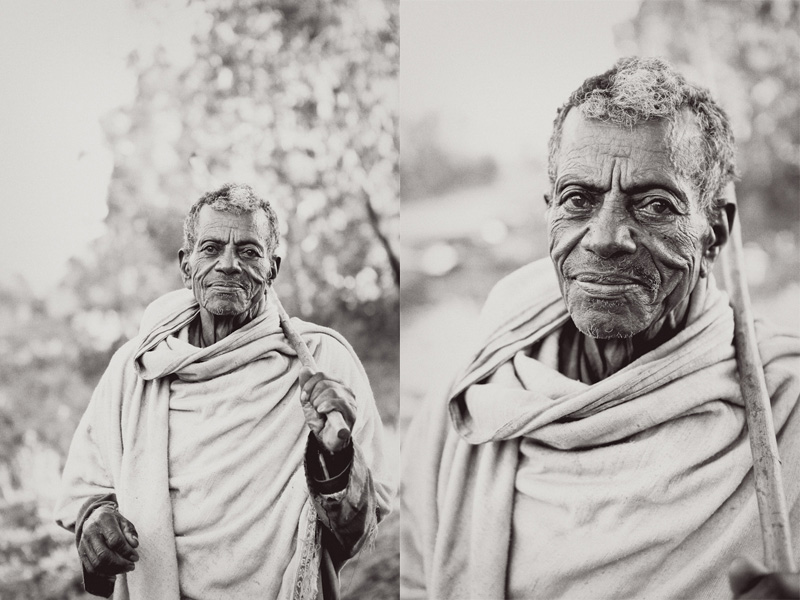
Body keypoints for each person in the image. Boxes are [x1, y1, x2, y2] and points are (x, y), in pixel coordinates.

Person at [400, 57, 799, 599]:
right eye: (579, 200)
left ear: (714, 233)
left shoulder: (786, 405)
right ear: (550, 214)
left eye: (656, 204)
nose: (606, 236)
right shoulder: (483, 378)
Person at [56, 183, 394, 600]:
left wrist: (337, 458)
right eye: (211, 248)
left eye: (249, 251)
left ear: (273, 267)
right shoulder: (136, 367)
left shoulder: (322, 360)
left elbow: (362, 529)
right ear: (186, 264)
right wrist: (96, 519)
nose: (229, 264)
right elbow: (87, 488)